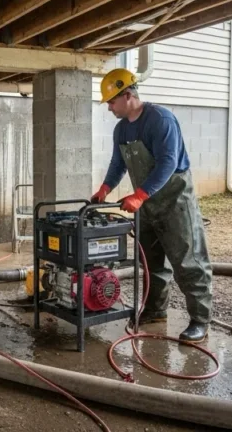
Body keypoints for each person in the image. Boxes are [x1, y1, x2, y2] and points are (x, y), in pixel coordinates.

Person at [91, 68, 212, 343]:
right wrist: (105, 188)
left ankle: (200, 320)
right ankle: (156, 311)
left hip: (174, 201)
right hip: (146, 204)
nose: (109, 107)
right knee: (152, 262)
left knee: (188, 261)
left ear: (129, 95)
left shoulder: (160, 120)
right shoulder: (122, 129)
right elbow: (118, 163)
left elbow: (168, 162)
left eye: (111, 101)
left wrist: (140, 194)